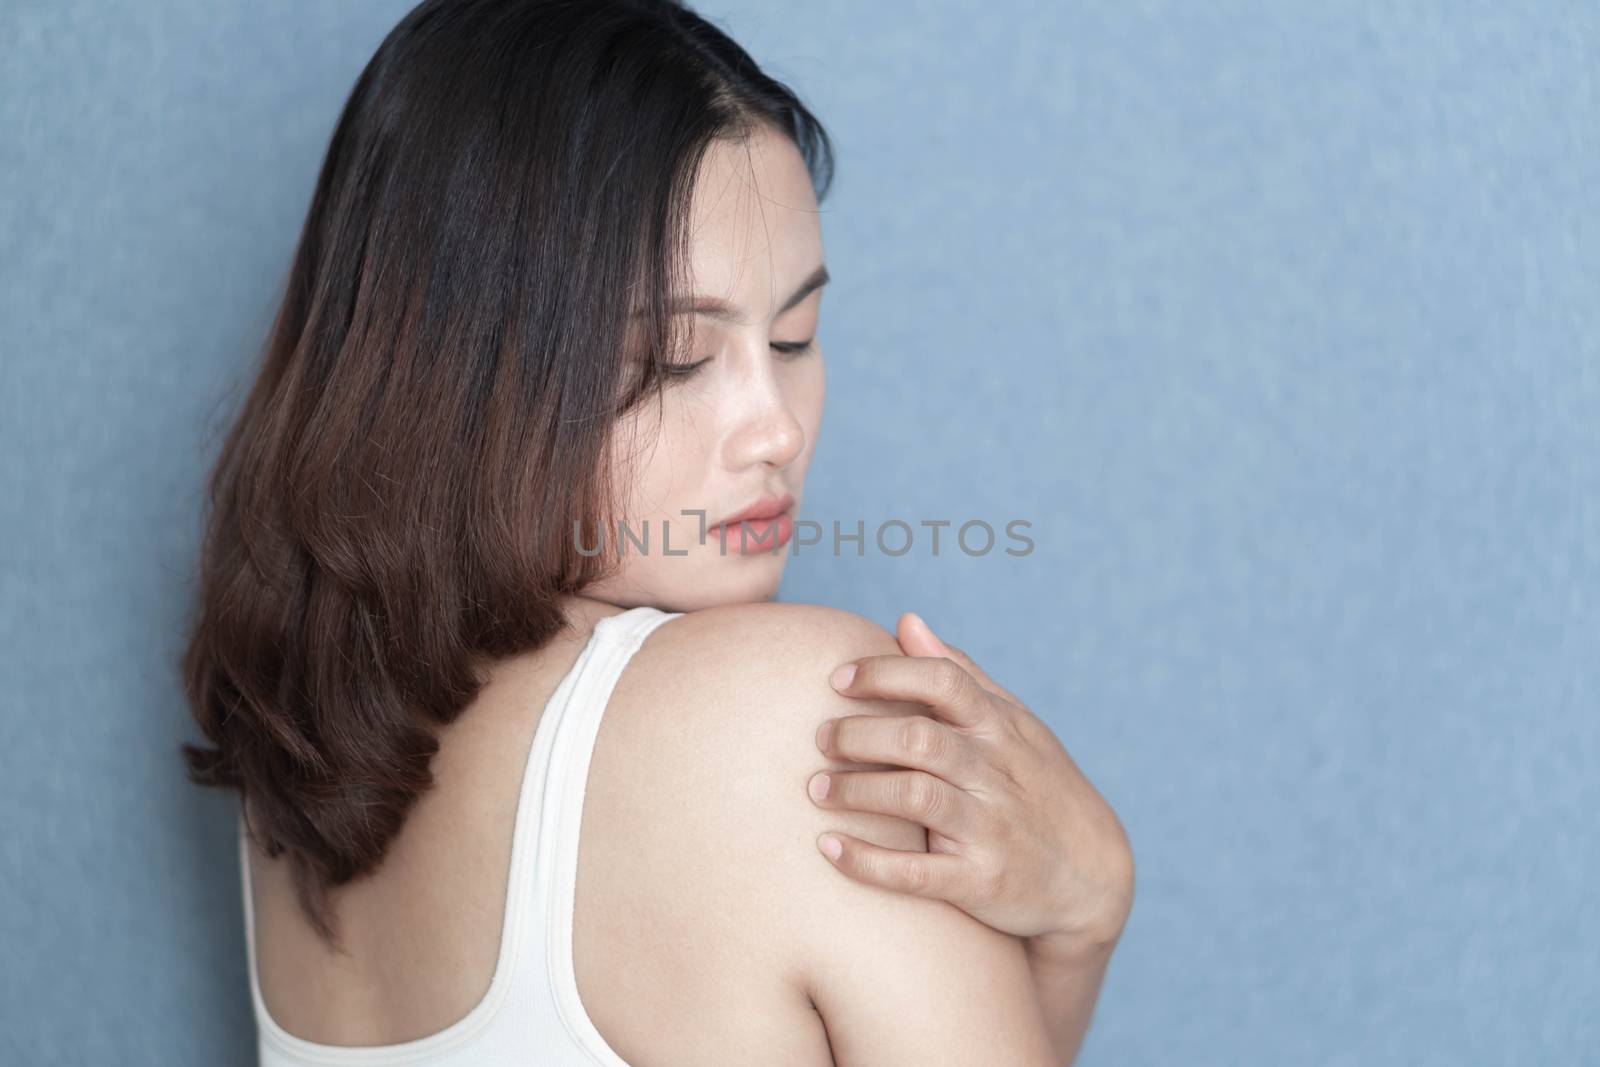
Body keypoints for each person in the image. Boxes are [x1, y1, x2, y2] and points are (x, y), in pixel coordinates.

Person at [179, 1, 1134, 1063]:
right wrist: (1088, 915)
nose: (775, 427)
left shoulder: (302, 757)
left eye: (794, 334)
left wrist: (1073, 932)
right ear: (465, 367)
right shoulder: (795, 715)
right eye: (677, 356)